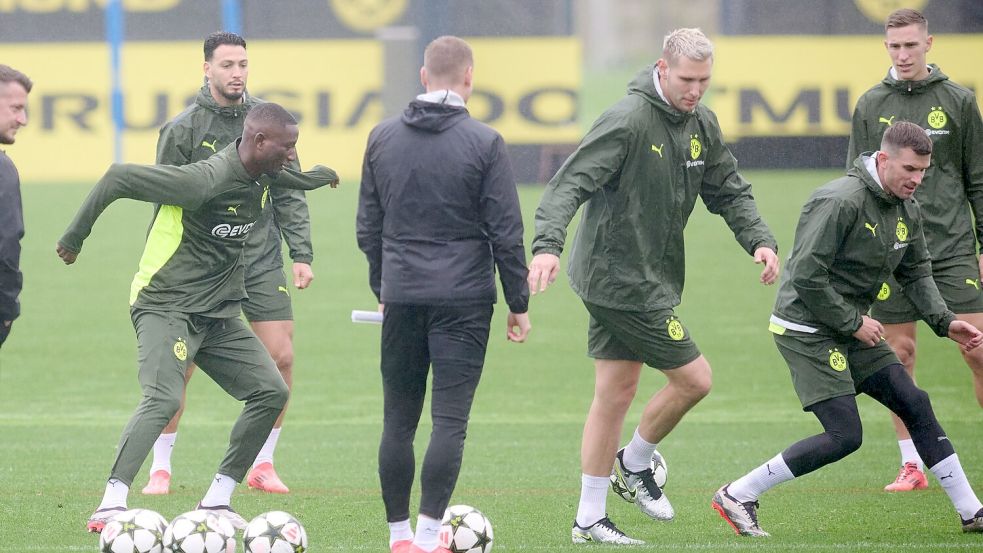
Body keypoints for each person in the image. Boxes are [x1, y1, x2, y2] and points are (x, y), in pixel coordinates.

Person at [527, 28, 779, 545]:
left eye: (705, 81)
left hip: (648, 276)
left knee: (614, 394)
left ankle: (588, 519)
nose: (695, 90)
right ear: (662, 69)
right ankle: (635, 463)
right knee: (695, 379)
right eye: (687, 79)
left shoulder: (701, 123)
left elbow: (728, 188)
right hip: (620, 280)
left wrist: (759, 239)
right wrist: (547, 245)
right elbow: (568, 183)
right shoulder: (627, 120)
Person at [56, 103, 338, 533]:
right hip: (165, 303)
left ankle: (217, 501)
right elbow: (117, 177)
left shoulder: (265, 169)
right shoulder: (203, 180)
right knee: (164, 398)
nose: (292, 154)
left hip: (218, 312)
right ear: (259, 142)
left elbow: (293, 177)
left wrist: (322, 175)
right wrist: (73, 239)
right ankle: (111, 502)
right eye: (289, 147)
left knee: (271, 392)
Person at [712, 121, 983, 537]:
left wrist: (945, 322)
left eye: (923, 171)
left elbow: (916, 273)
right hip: (806, 328)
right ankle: (738, 493)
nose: (917, 179)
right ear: (884, 158)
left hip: (852, 325)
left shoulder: (907, 208)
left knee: (914, 402)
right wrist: (853, 322)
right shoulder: (840, 201)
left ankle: (972, 512)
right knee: (844, 435)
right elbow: (805, 275)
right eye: (910, 169)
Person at [356, 36, 531, 553]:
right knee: (449, 421)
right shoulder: (485, 142)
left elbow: (368, 227)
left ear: (423, 74)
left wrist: (383, 286)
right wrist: (517, 303)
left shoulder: (381, 136)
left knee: (398, 420)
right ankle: (432, 536)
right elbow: (507, 232)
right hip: (465, 301)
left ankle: (398, 538)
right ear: (470, 77)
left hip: (403, 295)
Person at [142, 31, 318, 496]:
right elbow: (164, 205)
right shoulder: (182, 130)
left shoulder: (271, 124)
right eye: (227, 65)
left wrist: (301, 253)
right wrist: (157, 269)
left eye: (243, 64)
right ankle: (161, 464)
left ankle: (263, 463)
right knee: (179, 364)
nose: (236, 73)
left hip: (258, 257)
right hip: (197, 266)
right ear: (207, 69)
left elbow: (290, 190)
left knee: (281, 356)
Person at [846, 8, 983, 493]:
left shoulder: (959, 102)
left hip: (950, 247)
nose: (902, 55)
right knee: (897, 355)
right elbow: (855, 181)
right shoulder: (869, 104)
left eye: (910, 45)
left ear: (929, 44)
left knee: (979, 350)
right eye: (894, 47)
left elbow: (978, 179)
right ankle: (912, 464)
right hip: (892, 251)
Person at [0, 65, 31, 350]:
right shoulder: (2, 170)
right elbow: (6, 244)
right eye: (16, 108)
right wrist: (7, 310)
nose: (22, 119)